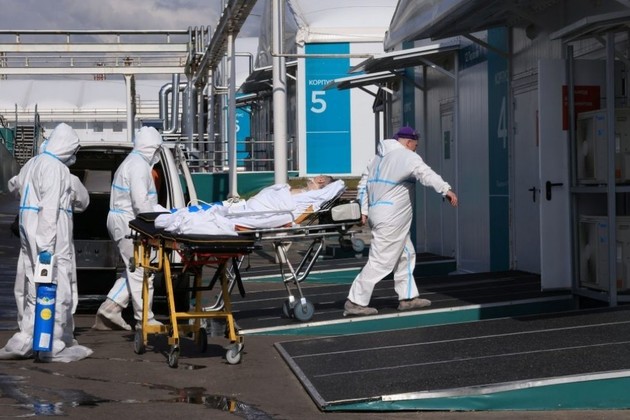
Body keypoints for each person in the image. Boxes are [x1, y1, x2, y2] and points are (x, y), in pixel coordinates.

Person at [0, 122, 93, 362]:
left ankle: (25, 339)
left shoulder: (33, 163)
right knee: (56, 287)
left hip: (28, 233)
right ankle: (53, 342)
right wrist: (46, 248)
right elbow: (50, 210)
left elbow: (13, 185)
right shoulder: (57, 169)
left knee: (31, 287)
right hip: (51, 238)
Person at [344, 126, 459, 316]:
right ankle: (355, 301)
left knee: (406, 254)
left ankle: (408, 297)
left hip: (380, 213)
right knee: (381, 261)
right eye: (415, 145)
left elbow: (363, 183)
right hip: (392, 218)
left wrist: (363, 209)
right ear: (408, 142)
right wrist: (445, 189)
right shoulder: (407, 156)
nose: (416, 149)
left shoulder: (376, 159)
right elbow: (426, 173)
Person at [93, 126, 163, 331]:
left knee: (133, 267)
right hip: (129, 222)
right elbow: (141, 202)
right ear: (151, 147)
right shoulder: (139, 166)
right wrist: (154, 226)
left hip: (122, 220)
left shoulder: (132, 162)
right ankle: (145, 319)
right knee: (142, 269)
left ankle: (110, 309)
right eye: (157, 149)